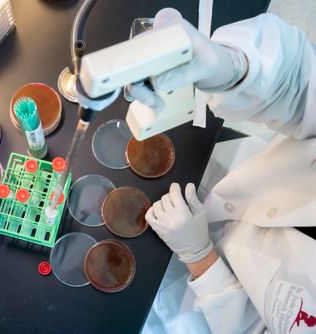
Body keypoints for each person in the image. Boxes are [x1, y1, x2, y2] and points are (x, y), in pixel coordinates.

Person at [135, 8, 316, 334]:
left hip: (202, 297)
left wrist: (200, 258)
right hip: (232, 174)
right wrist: (234, 68)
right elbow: (303, 88)